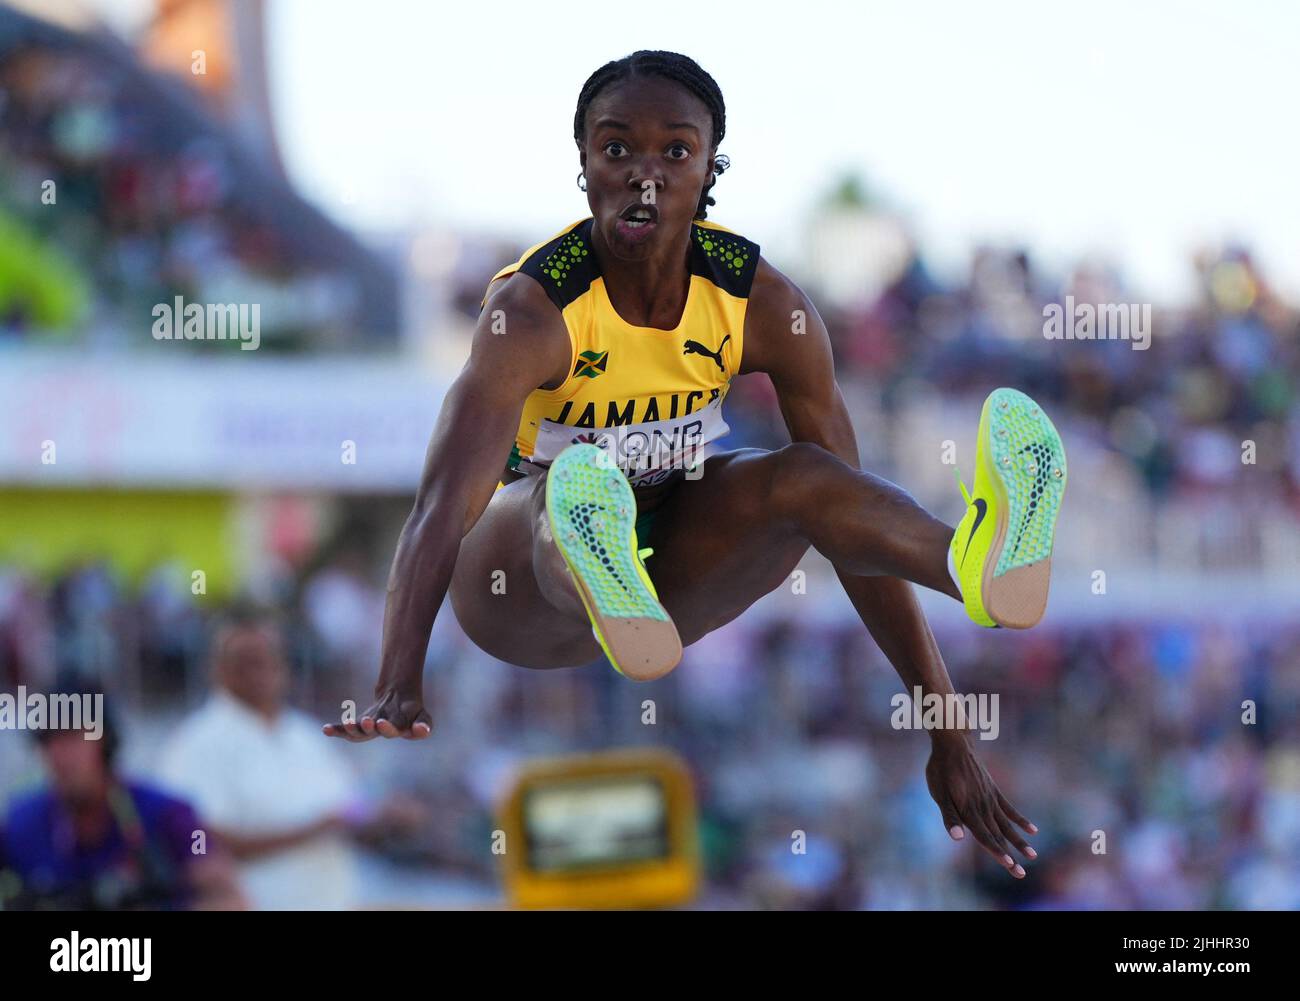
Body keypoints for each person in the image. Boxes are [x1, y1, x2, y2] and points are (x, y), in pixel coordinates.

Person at [324, 51, 1066, 882]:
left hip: (669, 584)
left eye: (675, 152)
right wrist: (398, 677)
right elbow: (439, 508)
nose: (646, 175)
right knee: (564, 487)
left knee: (809, 477)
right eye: (617, 149)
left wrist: (948, 729)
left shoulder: (764, 304)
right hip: (518, 592)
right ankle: (589, 543)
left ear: (711, 167)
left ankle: (975, 560)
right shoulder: (533, 310)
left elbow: (854, 531)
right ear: (583, 165)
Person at [159, 610, 421, 910]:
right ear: (217, 669)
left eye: (268, 658)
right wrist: (317, 828)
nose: (259, 671)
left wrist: (385, 821)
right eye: (245, 661)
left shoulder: (307, 736)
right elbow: (200, 842)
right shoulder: (197, 743)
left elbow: (349, 816)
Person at [1, 684, 244, 910]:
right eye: (50, 742)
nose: (61, 755)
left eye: (74, 737)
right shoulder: (21, 824)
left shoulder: (173, 816)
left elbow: (230, 899)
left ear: (106, 741)